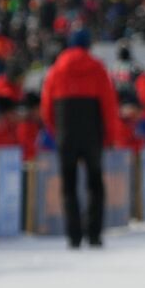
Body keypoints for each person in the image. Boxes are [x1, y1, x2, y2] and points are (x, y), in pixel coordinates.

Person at [40, 29, 119, 248]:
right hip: (92, 132)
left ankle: (73, 236)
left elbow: (46, 107)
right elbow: (109, 106)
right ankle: (94, 234)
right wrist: (111, 136)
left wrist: (56, 130)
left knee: (69, 185)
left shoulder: (56, 70)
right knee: (95, 184)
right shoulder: (97, 68)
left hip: (66, 131)